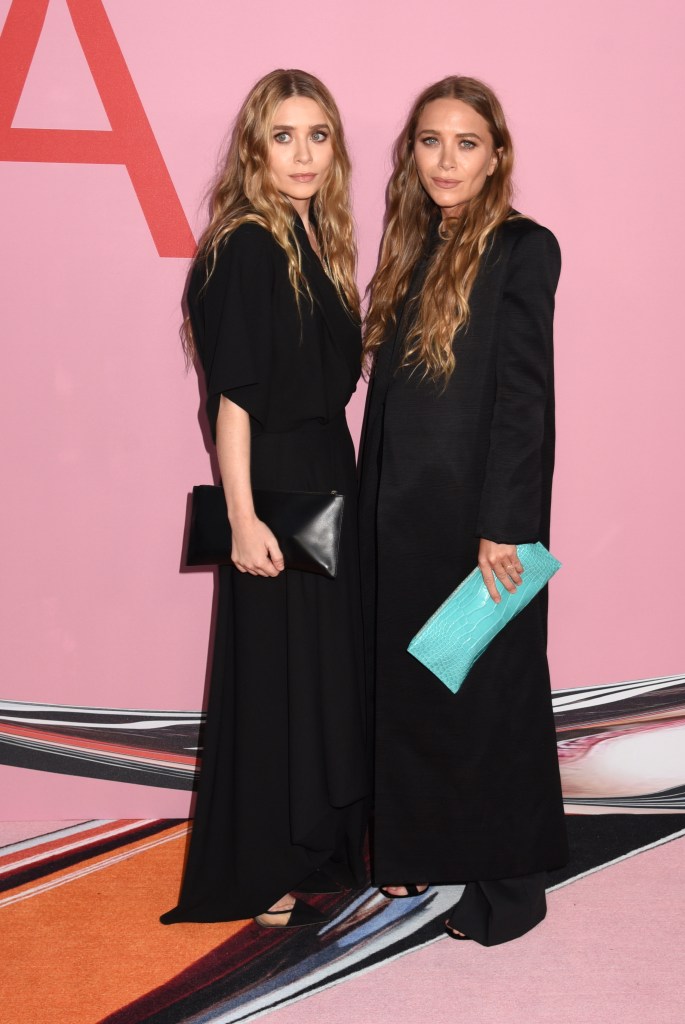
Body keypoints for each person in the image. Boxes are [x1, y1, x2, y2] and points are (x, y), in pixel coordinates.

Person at [358, 76, 568, 946]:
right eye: (430, 141)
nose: (446, 160)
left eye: (466, 142)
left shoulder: (524, 247)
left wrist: (506, 522)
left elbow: (525, 397)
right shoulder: (409, 245)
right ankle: (418, 849)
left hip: (476, 522)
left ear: (495, 157)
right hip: (395, 510)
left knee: (489, 700)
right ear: (412, 153)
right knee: (410, 693)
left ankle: (510, 894)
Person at [161, 70, 368, 929]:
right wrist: (242, 517)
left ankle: (312, 845)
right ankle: (254, 869)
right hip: (277, 490)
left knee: (316, 677)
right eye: (283, 135)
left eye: (317, 135)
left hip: (326, 476)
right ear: (254, 145)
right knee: (274, 682)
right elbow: (233, 398)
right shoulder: (248, 243)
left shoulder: (306, 237)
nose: (303, 153)